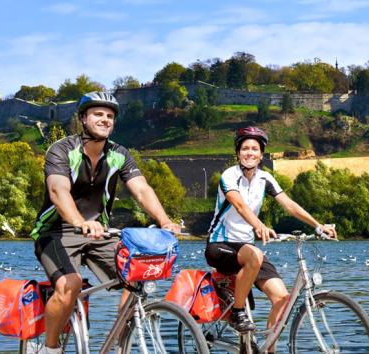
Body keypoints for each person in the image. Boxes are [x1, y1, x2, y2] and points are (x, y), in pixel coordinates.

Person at [31, 91, 181, 354]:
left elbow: (142, 190)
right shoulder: (62, 150)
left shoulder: (119, 155)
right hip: (56, 232)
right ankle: (50, 348)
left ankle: (123, 341)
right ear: (83, 118)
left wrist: (165, 221)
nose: (105, 119)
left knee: (137, 276)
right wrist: (79, 221)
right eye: (98, 114)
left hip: (99, 233)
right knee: (70, 284)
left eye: (110, 116)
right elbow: (58, 190)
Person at [205, 126, 337, 346]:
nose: (250, 153)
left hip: (247, 249)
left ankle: (268, 350)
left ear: (261, 154)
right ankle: (238, 313)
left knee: (282, 299)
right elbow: (239, 205)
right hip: (219, 245)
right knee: (254, 255)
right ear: (238, 153)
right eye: (245, 148)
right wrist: (259, 226)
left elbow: (290, 205)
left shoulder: (265, 179)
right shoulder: (230, 175)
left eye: (255, 149)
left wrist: (317, 225)